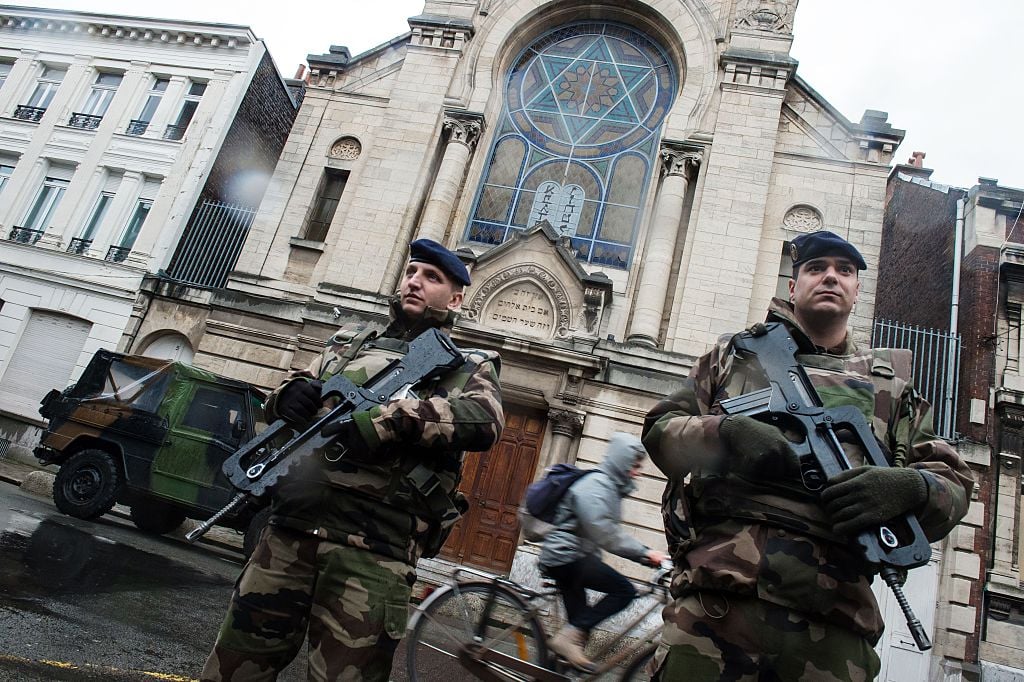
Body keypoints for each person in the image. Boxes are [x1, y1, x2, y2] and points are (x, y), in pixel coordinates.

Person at [642, 230, 974, 681]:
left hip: (834, 631)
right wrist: (727, 433)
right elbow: (661, 430)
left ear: (857, 290)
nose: (830, 278)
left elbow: (952, 481)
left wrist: (910, 488)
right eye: (816, 269)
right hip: (716, 610)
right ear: (793, 286)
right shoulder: (732, 357)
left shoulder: (892, 389)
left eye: (844, 271)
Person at [200, 239, 504, 682]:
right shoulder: (348, 345)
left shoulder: (469, 366)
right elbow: (290, 398)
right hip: (288, 534)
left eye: (431, 277)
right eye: (411, 272)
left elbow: (483, 421)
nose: (415, 282)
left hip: (371, 552)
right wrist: (288, 396)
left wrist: (388, 421)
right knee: (230, 671)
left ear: (456, 298)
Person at [539, 432, 669, 672]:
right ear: (623, 460)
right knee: (624, 590)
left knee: (579, 629)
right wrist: (646, 553)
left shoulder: (609, 486)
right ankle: (567, 642)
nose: (638, 471)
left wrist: (645, 557)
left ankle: (551, 672)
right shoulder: (596, 485)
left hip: (573, 558)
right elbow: (604, 532)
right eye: (636, 465)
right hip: (565, 557)